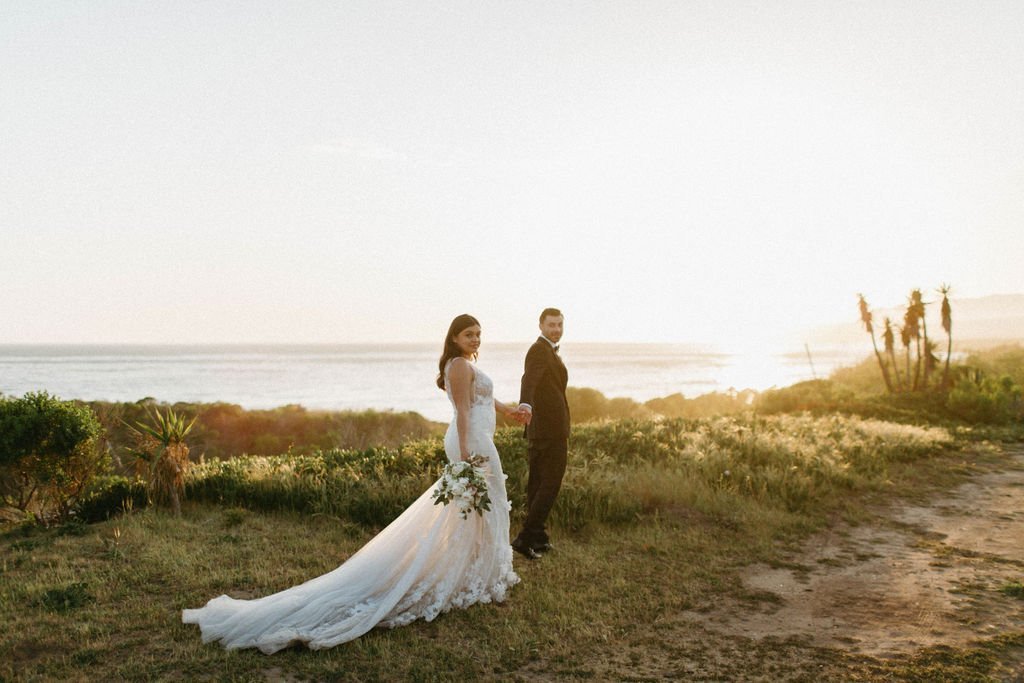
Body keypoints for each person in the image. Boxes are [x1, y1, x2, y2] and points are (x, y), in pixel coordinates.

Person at [182, 314, 523, 654]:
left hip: (476, 438)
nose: (476, 339)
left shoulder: (463, 365)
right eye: (469, 334)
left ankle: (474, 573)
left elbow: (481, 399)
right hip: (472, 442)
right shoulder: (460, 365)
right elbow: (463, 411)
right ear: (455, 337)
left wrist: (508, 411)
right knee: (475, 506)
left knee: (474, 509)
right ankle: (472, 575)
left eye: (478, 334)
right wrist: (464, 457)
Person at [511, 308, 570, 560]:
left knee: (538, 483)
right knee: (550, 482)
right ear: (541, 326)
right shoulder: (539, 350)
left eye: (559, 325)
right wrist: (525, 404)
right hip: (549, 429)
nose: (556, 330)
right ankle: (526, 537)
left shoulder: (548, 351)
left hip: (543, 428)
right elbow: (529, 380)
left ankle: (538, 537)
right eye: (551, 325)